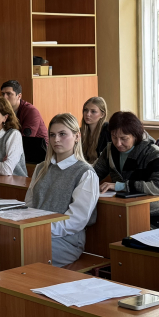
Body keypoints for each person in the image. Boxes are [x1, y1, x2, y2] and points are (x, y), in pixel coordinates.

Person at [24, 113, 99, 267]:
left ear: (77, 136)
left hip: (66, 241)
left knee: (24, 253)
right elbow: (29, 206)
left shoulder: (85, 173)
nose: (56, 140)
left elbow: (75, 221)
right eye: (52, 135)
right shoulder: (41, 168)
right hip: (35, 233)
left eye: (62, 134)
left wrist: (40, 230)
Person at [93, 112, 159, 212]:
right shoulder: (110, 150)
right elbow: (93, 174)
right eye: (114, 137)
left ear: (135, 136)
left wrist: (121, 186)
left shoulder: (153, 152)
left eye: (124, 138)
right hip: (125, 206)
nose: (118, 143)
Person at [1, 80, 48, 165]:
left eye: (9, 94)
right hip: (20, 150)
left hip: (39, 154)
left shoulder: (31, 111)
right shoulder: (4, 111)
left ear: (19, 96)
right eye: (3, 94)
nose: (4, 97)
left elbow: (26, 140)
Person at [81, 97, 111, 162]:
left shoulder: (108, 130)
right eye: (85, 110)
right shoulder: (80, 132)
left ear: (102, 114)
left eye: (93, 111)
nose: (88, 114)